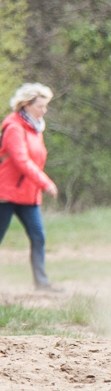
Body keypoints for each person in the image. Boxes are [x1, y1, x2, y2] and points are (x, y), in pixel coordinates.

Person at [0, 83, 61, 292]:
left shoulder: (35, 128)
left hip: (27, 194)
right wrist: (45, 182)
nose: (44, 110)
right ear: (26, 105)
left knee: (38, 237)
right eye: (40, 106)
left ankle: (42, 284)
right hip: (6, 193)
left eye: (45, 106)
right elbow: (21, 161)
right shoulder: (14, 127)